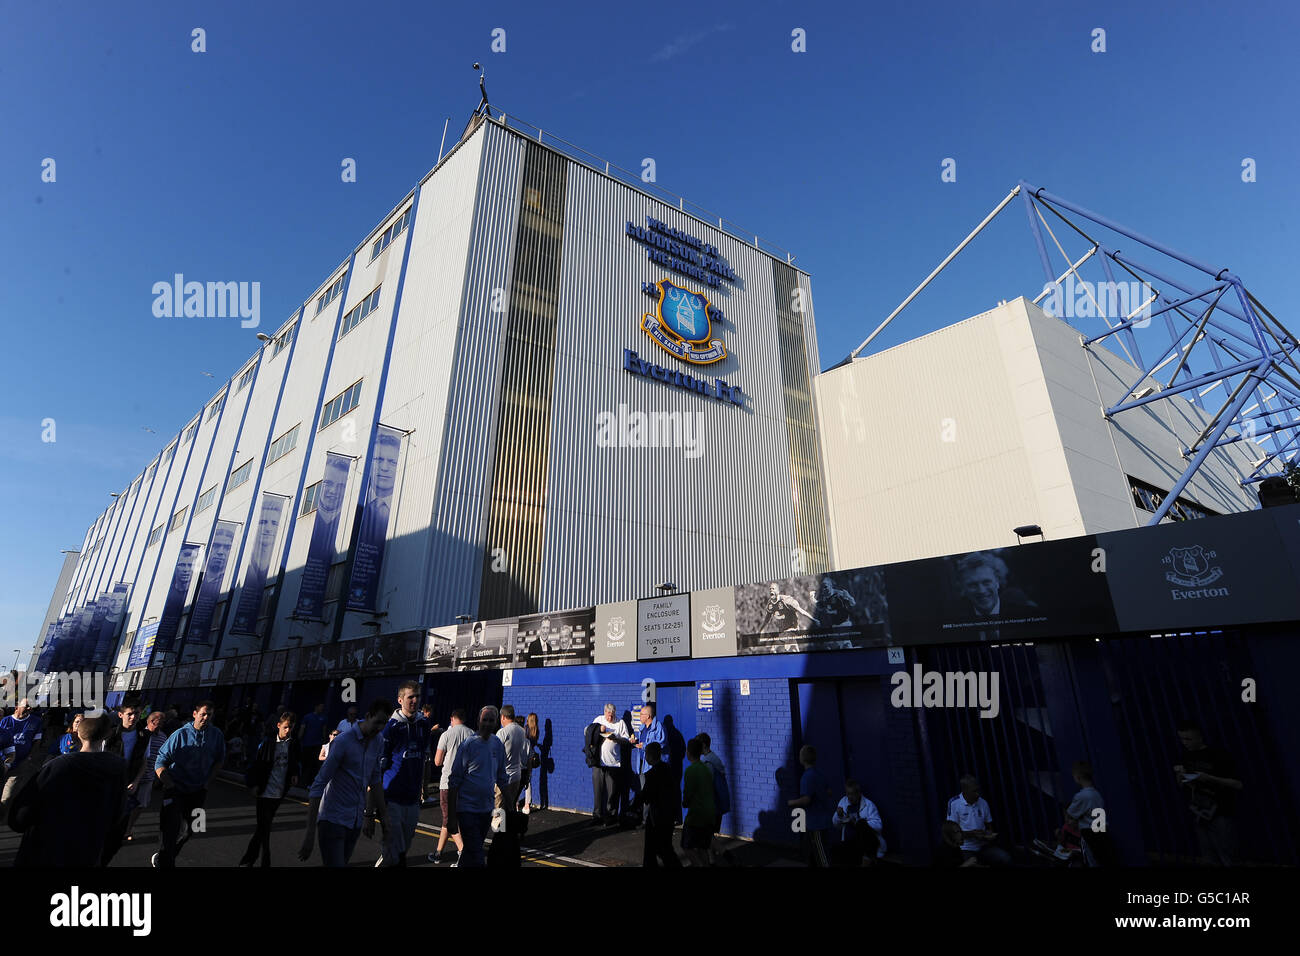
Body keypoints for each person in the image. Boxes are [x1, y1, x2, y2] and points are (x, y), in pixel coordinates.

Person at [7, 714, 127, 867]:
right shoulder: (118, 768)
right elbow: (118, 817)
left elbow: (21, 814)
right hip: (86, 853)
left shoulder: (59, 766)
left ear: (78, 733)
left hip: (45, 851)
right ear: (107, 734)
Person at [299, 700, 391, 867]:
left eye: (384, 723)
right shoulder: (343, 741)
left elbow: (376, 780)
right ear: (368, 716)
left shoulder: (378, 741)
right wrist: (310, 833)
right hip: (333, 819)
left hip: (354, 822)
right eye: (377, 722)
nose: (379, 728)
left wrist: (382, 818)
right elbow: (318, 784)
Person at [152, 700, 226, 868]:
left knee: (192, 829)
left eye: (209, 715)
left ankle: (165, 856)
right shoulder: (180, 735)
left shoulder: (216, 735)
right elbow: (160, 762)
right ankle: (166, 862)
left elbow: (219, 760)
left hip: (198, 791)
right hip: (176, 789)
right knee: (170, 830)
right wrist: (169, 784)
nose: (206, 718)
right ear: (195, 714)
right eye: (203, 714)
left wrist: (207, 782)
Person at [376, 681, 434, 867]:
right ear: (400, 699)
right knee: (396, 852)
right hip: (392, 798)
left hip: (413, 798)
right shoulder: (391, 727)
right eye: (410, 697)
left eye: (417, 696)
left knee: (405, 846)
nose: (415, 700)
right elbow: (380, 765)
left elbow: (422, 757)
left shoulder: (424, 724)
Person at [446, 705, 509, 868]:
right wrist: (451, 817)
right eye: (484, 720)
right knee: (477, 854)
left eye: (491, 720)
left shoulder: (497, 744)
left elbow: (502, 777)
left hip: (486, 809)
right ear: (478, 721)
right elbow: (454, 780)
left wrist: (510, 806)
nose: (487, 724)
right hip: (467, 809)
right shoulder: (469, 745)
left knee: (470, 852)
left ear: (496, 723)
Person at [1174, 721, 1243, 866]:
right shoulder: (1186, 757)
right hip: (1200, 811)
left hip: (1221, 811)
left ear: (1200, 737)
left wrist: (1209, 778)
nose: (1185, 743)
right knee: (1210, 857)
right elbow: (1183, 786)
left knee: (1228, 855)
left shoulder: (1218, 755)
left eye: (1188, 739)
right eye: (1182, 739)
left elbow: (1237, 784)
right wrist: (1181, 778)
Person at [240, 710, 301, 867]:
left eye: (291, 728)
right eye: (286, 727)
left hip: (279, 792)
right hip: (264, 791)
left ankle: (248, 861)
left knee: (263, 828)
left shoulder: (293, 744)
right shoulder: (267, 743)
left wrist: (294, 773)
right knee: (264, 827)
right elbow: (254, 764)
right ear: (279, 725)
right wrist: (252, 784)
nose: (288, 731)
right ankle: (264, 860)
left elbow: (295, 762)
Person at [104, 701, 149, 855]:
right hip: (109, 785)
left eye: (136, 713)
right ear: (121, 715)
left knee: (120, 825)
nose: (133, 717)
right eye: (130, 713)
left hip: (129, 786)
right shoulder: (110, 734)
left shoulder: (144, 736)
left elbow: (144, 761)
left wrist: (136, 782)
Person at [429, 709, 474, 865]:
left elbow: (437, 761)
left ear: (452, 719)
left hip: (448, 782)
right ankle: (438, 852)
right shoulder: (472, 735)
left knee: (449, 819)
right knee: (450, 818)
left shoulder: (446, 735)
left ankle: (463, 851)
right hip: (466, 783)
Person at [946, 775, 1011, 866]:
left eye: (978, 790)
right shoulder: (954, 804)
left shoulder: (983, 803)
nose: (978, 794)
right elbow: (952, 833)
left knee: (1005, 858)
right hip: (965, 849)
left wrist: (988, 835)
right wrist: (973, 834)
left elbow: (989, 826)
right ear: (965, 791)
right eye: (974, 791)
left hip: (983, 846)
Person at [787, 744, 834, 866]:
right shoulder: (820, 774)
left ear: (802, 759)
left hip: (816, 824)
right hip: (823, 819)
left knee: (822, 855)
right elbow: (829, 792)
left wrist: (792, 803)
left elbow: (806, 800)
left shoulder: (806, 777)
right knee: (813, 853)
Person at [124, 711, 166, 843]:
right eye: (157, 724)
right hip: (133, 776)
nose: (159, 727)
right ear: (150, 722)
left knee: (140, 805)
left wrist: (158, 776)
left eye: (162, 724)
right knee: (124, 804)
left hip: (148, 777)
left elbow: (162, 757)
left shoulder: (163, 737)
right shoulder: (140, 734)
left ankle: (128, 830)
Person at [641, 742, 681, 867]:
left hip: (657, 818)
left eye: (646, 754)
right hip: (668, 816)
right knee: (665, 847)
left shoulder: (652, 775)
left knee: (655, 850)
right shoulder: (667, 770)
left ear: (650, 756)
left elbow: (646, 796)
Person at [831, 778, 886, 866]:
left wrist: (859, 822)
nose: (849, 797)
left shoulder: (869, 805)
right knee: (835, 852)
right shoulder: (843, 801)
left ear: (859, 793)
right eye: (848, 793)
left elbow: (879, 825)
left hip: (866, 842)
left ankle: (868, 856)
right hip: (850, 841)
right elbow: (835, 825)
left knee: (861, 824)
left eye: (852, 794)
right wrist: (839, 815)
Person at [0, 698, 45, 805]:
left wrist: (29, 757)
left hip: (20, 763)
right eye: (27, 705)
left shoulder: (36, 721)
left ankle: (2, 819)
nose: (30, 708)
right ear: (17, 707)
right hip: (2, 763)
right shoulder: (5, 720)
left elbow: (37, 741)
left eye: (31, 707)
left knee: (7, 797)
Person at [682, 737, 717, 866]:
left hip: (696, 816)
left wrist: (684, 803)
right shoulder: (705, 768)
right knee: (703, 847)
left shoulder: (690, 771)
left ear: (688, 753)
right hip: (709, 814)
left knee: (687, 846)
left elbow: (688, 796)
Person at [696, 732, 730, 862]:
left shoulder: (707, 762)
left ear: (703, 745)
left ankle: (726, 855)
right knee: (708, 835)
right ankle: (712, 861)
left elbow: (706, 784)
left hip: (711, 805)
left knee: (706, 835)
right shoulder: (714, 758)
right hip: (717, 803)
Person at [629, 701, 664, 818]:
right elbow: (642, 741)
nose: (639, 717)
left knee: (652, 793)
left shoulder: (659, 727)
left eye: (641, 714)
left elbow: (660, 744)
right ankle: (645, 818)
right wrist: (636, 742)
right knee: (644, 791)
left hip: (652, 766)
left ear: (648, 716)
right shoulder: (642, 727)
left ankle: (648, 819)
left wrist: (644, 745)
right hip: (642, 764)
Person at [495, 704, 527, 812]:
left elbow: (495, 755)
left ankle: (500, 829)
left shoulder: (502, 732)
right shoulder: (522, 731)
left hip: (504, 776)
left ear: (503, 717)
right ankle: (507, 828)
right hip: (516, 775)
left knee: (498, 810)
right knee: (510, 806)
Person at [298, 703, 329, 788]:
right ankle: (301, 782)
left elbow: (324, 731)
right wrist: (299, 739)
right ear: (316, 707)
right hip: (307, 744)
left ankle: (309, 783)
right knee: (305, 763)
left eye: (323, 707)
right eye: (321, 707)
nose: (322, 709)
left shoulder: (324, 718)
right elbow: (302, 728)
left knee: (314, 765)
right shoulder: (307, 717)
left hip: (317, 744)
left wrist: (324, 743)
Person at [519, 712, 540, 813]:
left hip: (523, 755)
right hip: (531, 757)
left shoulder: (525, 728)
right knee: (528, 781)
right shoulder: (536, 730)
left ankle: (516, 803)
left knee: (518, 780)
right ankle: (527, 805)